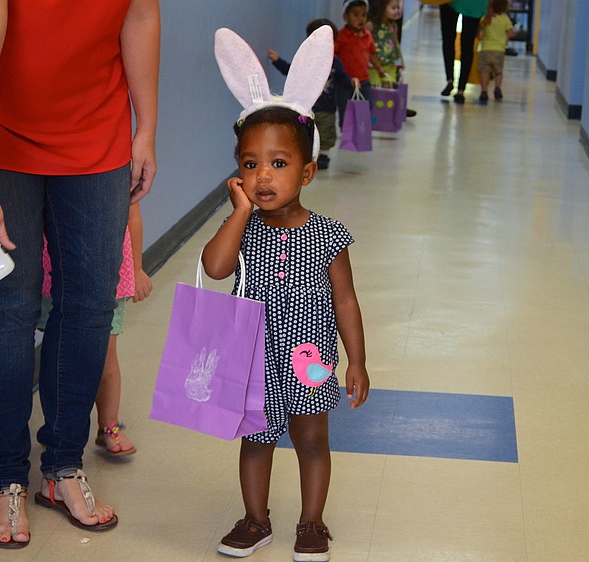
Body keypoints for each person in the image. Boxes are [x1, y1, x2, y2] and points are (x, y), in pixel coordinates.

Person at [0, 0, 159, 549]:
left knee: (91, 308)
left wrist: (145, 128)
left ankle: (64, 467)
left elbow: (140, 16)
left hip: (98, 137)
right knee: (6, 308)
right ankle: (5, 478)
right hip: (1, 136)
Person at [204, 105, 369, 561]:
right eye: (250, 164)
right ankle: (255, 519)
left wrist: (356, 360)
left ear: (308, 172)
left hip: (308, 359)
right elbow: (214, 268)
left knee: (311, 439)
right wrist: (238, 213)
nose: (263, 177)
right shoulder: (243, 228)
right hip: (254, 358)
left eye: (279, 164)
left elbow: (346, 301)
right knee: (255, 439)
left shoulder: (328, 234)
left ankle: (312, 522)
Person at [38, 203, 153, 456]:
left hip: (110, 273)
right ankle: (58, 430)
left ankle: (108, 425)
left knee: (105, 354)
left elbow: (131, 214)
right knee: (56, 354)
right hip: (51, 269)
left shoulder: (120, 169)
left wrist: (135, 269)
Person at [268, 19, 354, 171]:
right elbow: (291, 72)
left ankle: (324, 155)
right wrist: (277, 61)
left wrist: (351, 82)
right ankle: (306, 153)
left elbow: (342, 78)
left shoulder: (334, 61)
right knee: (306, 130)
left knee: (326, 130)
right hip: (307, 106)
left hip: (327, 106)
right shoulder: (304, 62)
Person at [335, 0, 384, 125]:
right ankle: (347, 133)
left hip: (364, 80)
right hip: (345, 82)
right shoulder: (341, 36)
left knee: (367, 106)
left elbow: (372, 54)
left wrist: (379, 69)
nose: (360, 19)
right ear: (346, 17)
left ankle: (361, 130)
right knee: (345, 109)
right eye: (355, 15)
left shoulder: (367, 35)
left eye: (363, 15)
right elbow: (333, 54)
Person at [439, 0, 491, 104]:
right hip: (473, 4)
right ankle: (460, 89)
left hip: (453, 3)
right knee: (467, 44)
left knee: (448, 40)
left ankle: (450, 80)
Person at [477, 0, 514, 104]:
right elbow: (511, 33)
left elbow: (479, 31)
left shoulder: (486, 18)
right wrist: (505, 40)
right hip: (499, 50)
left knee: (485, 71)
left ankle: (484, 91)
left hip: (485, 49)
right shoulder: (505, 19)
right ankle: (497, 88)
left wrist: (480, 37)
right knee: (498, 71)